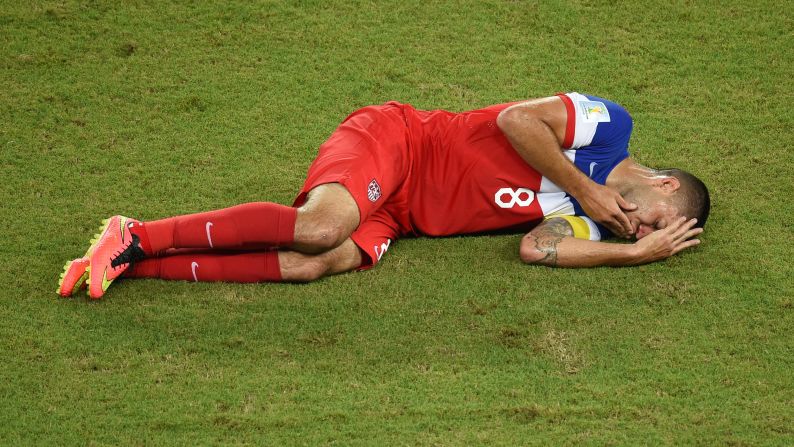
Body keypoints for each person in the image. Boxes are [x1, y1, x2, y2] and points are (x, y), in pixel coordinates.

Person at [57, 93, 710, 299]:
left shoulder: (601, 225)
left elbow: (538, 250)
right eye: (645, 219)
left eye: (636, 231)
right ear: (664, 184)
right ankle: (137, 229)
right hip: (401, 142)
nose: (629, 224)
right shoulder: (609, 127)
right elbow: (516, 120)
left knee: (319, 261)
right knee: (321, 227)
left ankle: (130, 260)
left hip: (405, 213)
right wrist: (587, 189)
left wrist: (632, 254)